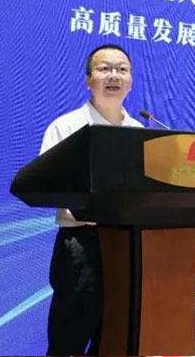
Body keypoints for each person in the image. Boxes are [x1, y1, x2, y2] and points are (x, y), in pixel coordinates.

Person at [40, 44, 143, 356]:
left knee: (114, 339)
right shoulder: (66, 127)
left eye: (122, 69)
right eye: (104, 69)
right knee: (68, 339)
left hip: (127, 245)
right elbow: (48, 184)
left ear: (131, 81)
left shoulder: (139, 131)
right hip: (81, 246)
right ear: (88, 80)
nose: (114, 76)